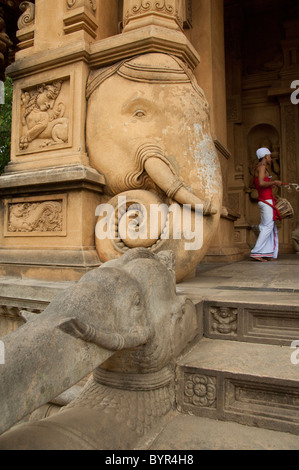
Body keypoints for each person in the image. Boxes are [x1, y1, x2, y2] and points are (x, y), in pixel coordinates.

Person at [250, 147, 282, 262]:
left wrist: (269, 185)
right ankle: (256, 252)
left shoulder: (257, 168)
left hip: (264, 199)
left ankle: (267, 253)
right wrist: (273, 182)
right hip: (265, 200)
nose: (271, 159)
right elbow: (261, 182)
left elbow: (253, 184)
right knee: (268, 226)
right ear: (265, 156)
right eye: (269, 156)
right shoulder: (262, 167)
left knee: (269, 226)